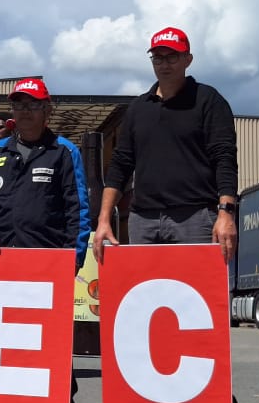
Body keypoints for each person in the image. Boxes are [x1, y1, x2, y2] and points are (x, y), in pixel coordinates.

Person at [94, 28, 239, 261]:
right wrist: (103, 221)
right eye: (158, 58)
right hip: (143, 221)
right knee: (144, 294)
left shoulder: (208, 101)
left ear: (187, 60)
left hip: (195, 218)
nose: (164, 64)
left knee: (198, 293)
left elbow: (224, 158)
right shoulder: (139, 108)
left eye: (172, 57)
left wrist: (226, 214)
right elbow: (120, 165)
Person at [0, 78, 91, 255]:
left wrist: (73, 255)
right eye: (19, 105)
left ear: (47, 110)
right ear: (12, 110)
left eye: (33, 104)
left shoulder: (65, 152)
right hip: (0, 258)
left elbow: (78, 209)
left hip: (49, 259)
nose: (25, 111)